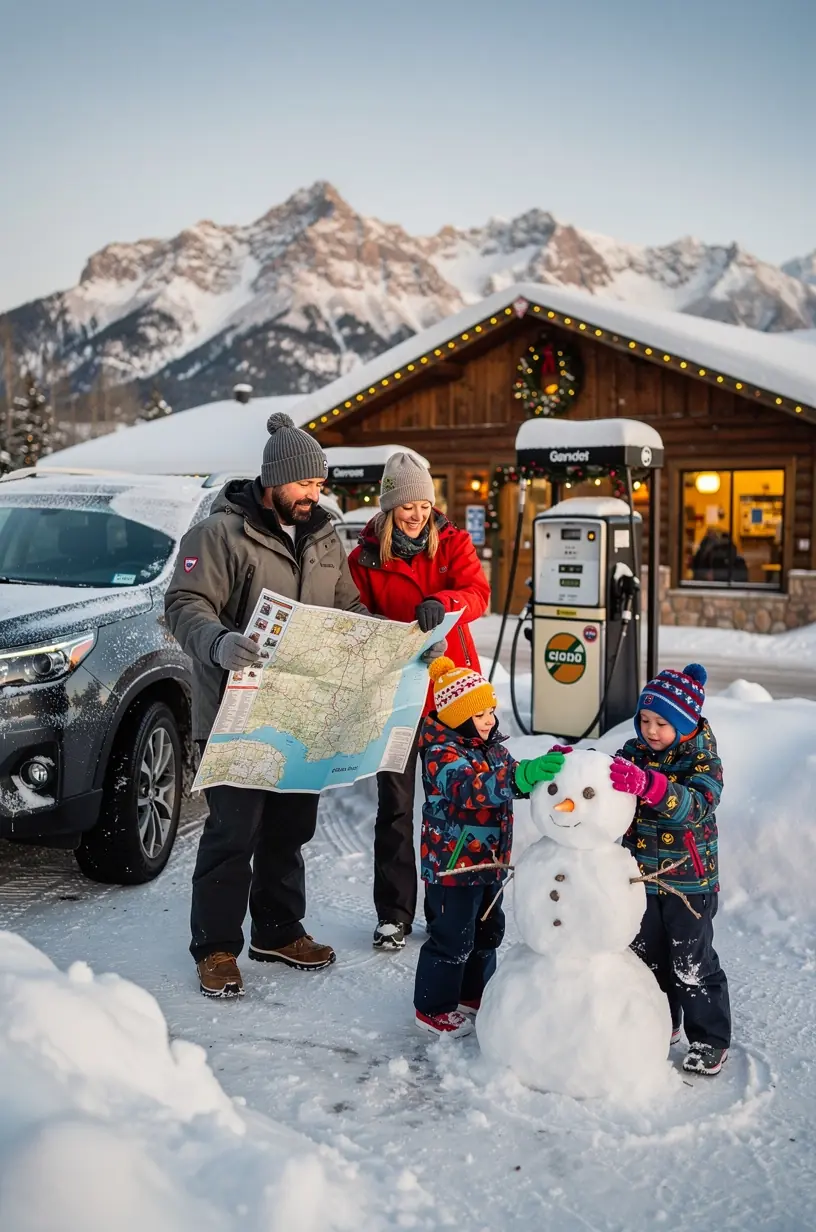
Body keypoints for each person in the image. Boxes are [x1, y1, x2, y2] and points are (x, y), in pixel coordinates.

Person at [165, 412, 368, 999]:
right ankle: (217, 947)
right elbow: (184, 605)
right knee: (234, 831)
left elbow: (346, 607)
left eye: (320, 486)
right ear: (275, 478)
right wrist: (219, 641)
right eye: (307, 484)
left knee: (290, 828)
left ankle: (278, 930)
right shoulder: (220, 534)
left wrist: (383, 642)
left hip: (301, 710)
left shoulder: (327, 536)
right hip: (236, 708)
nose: (315, 494)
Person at [348, 452, 490, 951]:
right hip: (397, 694)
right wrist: (390, 636)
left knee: (453, 805)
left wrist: (445, 603)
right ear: (389, 505)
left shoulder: (452, 542)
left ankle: (448, 909)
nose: (416, 513)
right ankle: (393, 913)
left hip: (451, 691)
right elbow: (356, 616)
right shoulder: (364, 557)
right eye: (406, 504)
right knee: (396, 806)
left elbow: (478, 593)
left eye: (424, 503)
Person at [413, 656, 566, 1036]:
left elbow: (510, 779)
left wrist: (540, 772)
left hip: (490, 863)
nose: (489, 720)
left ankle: (474, 994)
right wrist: (518, 775)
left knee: (486, 932)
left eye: (491, 711)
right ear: (456, 716)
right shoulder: (440, 754)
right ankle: (433, 1008)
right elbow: (470, 789)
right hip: (452, 865)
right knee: (452, 938)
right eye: (479, 714)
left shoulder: (491, 746)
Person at [610, 662, 731, 1075]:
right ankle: (662, 1025)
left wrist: (650, 785)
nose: (650, 730)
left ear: (686, 723)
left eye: (662, 722)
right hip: (643, 880)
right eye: (644, 719)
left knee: (691, 963)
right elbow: (607, 780)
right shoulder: (633, 753)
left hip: (689, 885)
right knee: (649, 960)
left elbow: (695, 805)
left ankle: (710, 1040)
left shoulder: (703, 762)